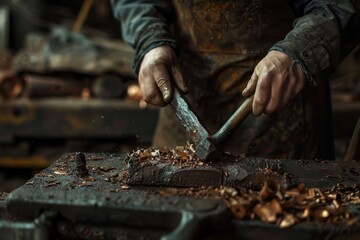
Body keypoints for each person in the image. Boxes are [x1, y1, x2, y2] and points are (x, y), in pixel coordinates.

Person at [111, 0, 360, 159]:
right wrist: (150, 41)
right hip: (184, 116)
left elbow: (339, 5)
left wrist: (299, 50)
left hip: (281, 127)